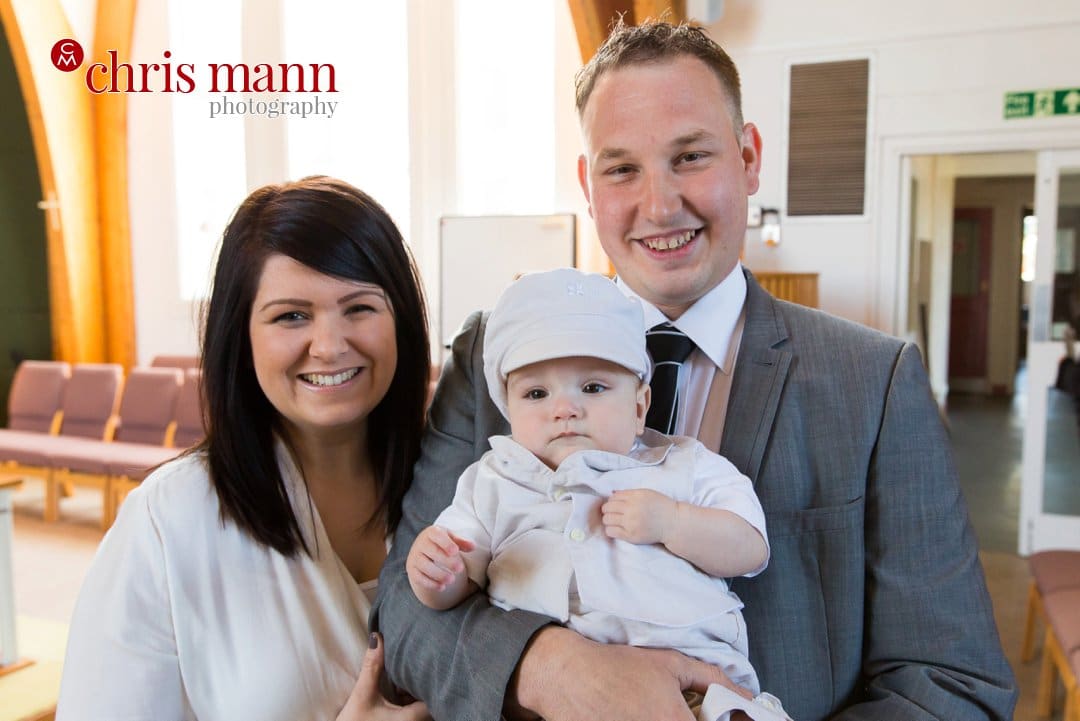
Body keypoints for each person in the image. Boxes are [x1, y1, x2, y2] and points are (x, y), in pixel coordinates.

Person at [374, 19, 1018, 721]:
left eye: (690, 157)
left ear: (748, 159)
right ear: (590, 185)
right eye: (622, 168)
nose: (659, 205)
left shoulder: (874, 382)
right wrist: (549, 668)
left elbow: (951, 684)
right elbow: (404, 611)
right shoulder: (492, 355)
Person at [57, 177, 431, 721]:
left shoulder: (464, 480)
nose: (329, 346)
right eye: (291, 316)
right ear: (241, 334)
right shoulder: (170, 519)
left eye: (359, 308)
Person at [406, 269, 787, 721]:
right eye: (536, 393)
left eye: (592, 388)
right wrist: (437, 575)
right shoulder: (493, 480)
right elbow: (455, 580)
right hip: (555, 704)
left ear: (640, 406)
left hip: (699, 689)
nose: (564, 408)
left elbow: (749, 546)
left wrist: (673, 523)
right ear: (509, 413)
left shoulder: (683, 465)